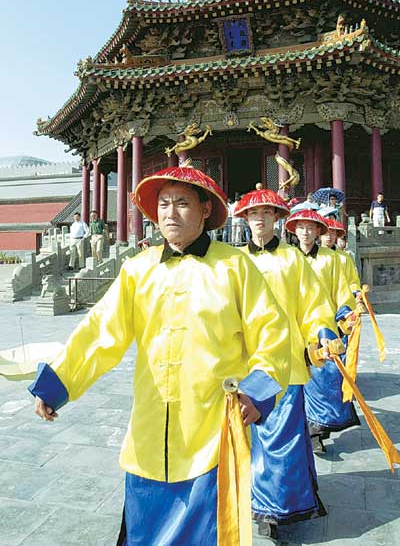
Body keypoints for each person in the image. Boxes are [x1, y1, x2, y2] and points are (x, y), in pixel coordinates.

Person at [28, 164, 291, 546]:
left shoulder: (236, 267)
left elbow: (273, 334)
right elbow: (101, 332)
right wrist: (58, 383)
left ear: (205, 210)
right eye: (164, 204)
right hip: (151, 428)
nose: (171, 212)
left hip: (212, 426)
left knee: (208, 531)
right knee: (144, 529)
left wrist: (258, 389)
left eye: (182, 203)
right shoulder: (138, 269)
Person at [235, 190, 338, 539]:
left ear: (277, 219)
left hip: (286, 362)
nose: (260, 219)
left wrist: (322, 333)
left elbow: (314, 305)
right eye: (253, 214)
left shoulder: (293, 260)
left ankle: (277, 509)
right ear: (244, 220)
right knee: (250, 438)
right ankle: (263, 495)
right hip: (243, 366)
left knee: (282, 438)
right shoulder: (233, 263)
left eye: (266, 213)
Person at [285, 209, 359, 453]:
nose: (305, 232)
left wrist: (345, 317)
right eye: (301, 227)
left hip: (322, 328)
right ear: (294, 231)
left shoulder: (331, 259)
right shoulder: (287, 258)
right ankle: (299, 429)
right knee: (294, 382)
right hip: (293, 327)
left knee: (323, 382)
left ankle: (317, 431)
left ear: (319, 232)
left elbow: (341, 292)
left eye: (310, 228)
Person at [320, 219, 360, 291]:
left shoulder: (344, 257)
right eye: (326, 233)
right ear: (320, 235)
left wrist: (355, 292)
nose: (329, 237)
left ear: (336, 235)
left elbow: (353, 280)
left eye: (332, 233)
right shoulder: (314, 255)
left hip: (341, 296)